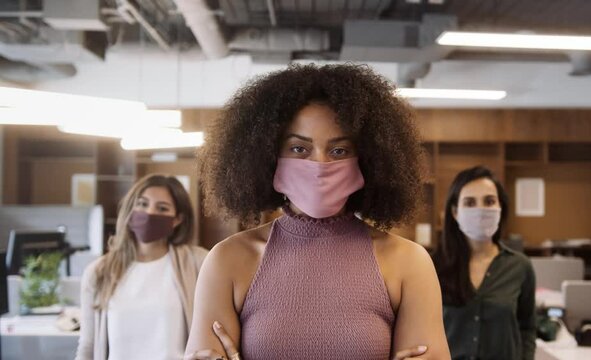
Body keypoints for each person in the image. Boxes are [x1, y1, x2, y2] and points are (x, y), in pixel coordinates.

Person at [185, 63, 450, 360]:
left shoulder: (408, 263)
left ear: (369, 160)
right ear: (269, 155)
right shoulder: (228, 260)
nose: (320, 165)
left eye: (339, 151)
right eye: (299, 149)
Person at [75, 174, 208, 360]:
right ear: (130, 208)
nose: (149, 213)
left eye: (162, 208)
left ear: (177, 219)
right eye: (142, 204)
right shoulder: (98, 272)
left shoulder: (198, 262)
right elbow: (88, 345)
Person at [432, 166, 536, 360]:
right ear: (455, 212)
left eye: (489, 201)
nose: (480, 210)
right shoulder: (432, 266)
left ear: (500, 207)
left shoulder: (520, 266)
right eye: (470, 202)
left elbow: (527, 328)